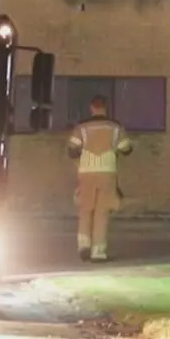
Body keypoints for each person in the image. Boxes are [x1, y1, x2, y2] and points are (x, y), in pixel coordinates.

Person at [67, 95, 133, 262]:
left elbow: (72, 150)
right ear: (105, 107)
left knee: (85, 209)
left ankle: (83, 245)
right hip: (107, 172)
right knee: (102, 212)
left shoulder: (81, 128)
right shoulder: (115, 128)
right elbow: (126, 149)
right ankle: (99, 252)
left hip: (86, 172)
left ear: (92, 108)